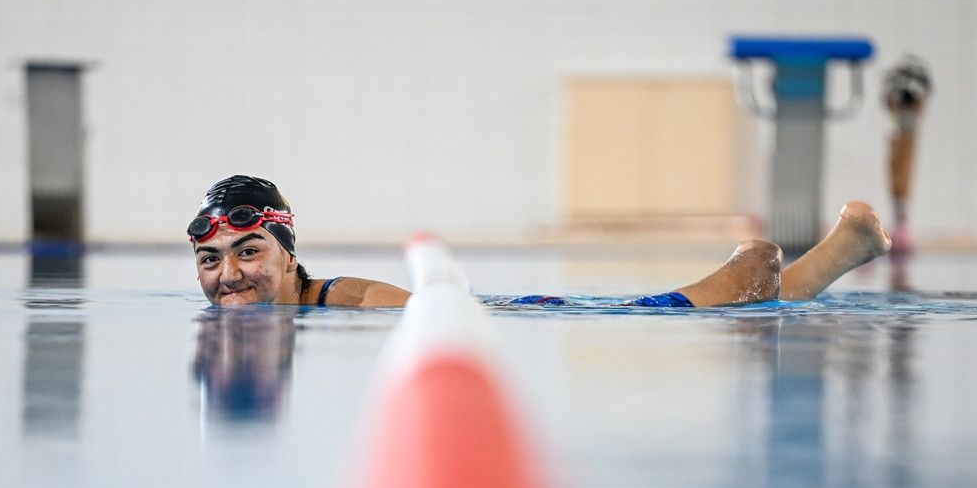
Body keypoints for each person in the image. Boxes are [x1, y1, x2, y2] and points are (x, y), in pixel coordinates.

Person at [188, 175, 891, 309]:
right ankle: (843, 249)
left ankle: (768, 259)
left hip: (554, 311)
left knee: (734, 292)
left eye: (248, 251)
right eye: (211, 260)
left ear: (287, 254)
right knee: (759, 304)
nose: (229, 276)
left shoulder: (341, 296)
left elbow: (421, 308)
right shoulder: (274, 314)